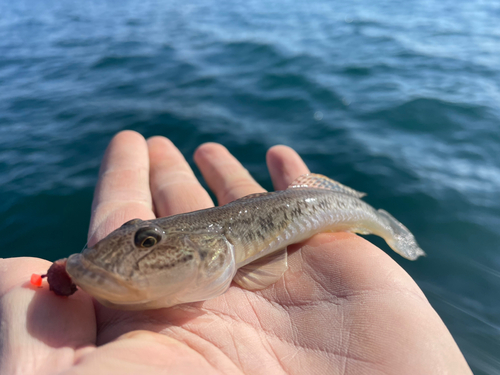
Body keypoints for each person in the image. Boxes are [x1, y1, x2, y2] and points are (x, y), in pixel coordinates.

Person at [0, 131, 472, 374]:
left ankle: (384, 224)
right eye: (141, 238)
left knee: (377, 224)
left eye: (147, 242)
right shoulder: (205, 249)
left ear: (213, 253)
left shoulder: (216, 248)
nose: (142, 246)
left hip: (326, 201)